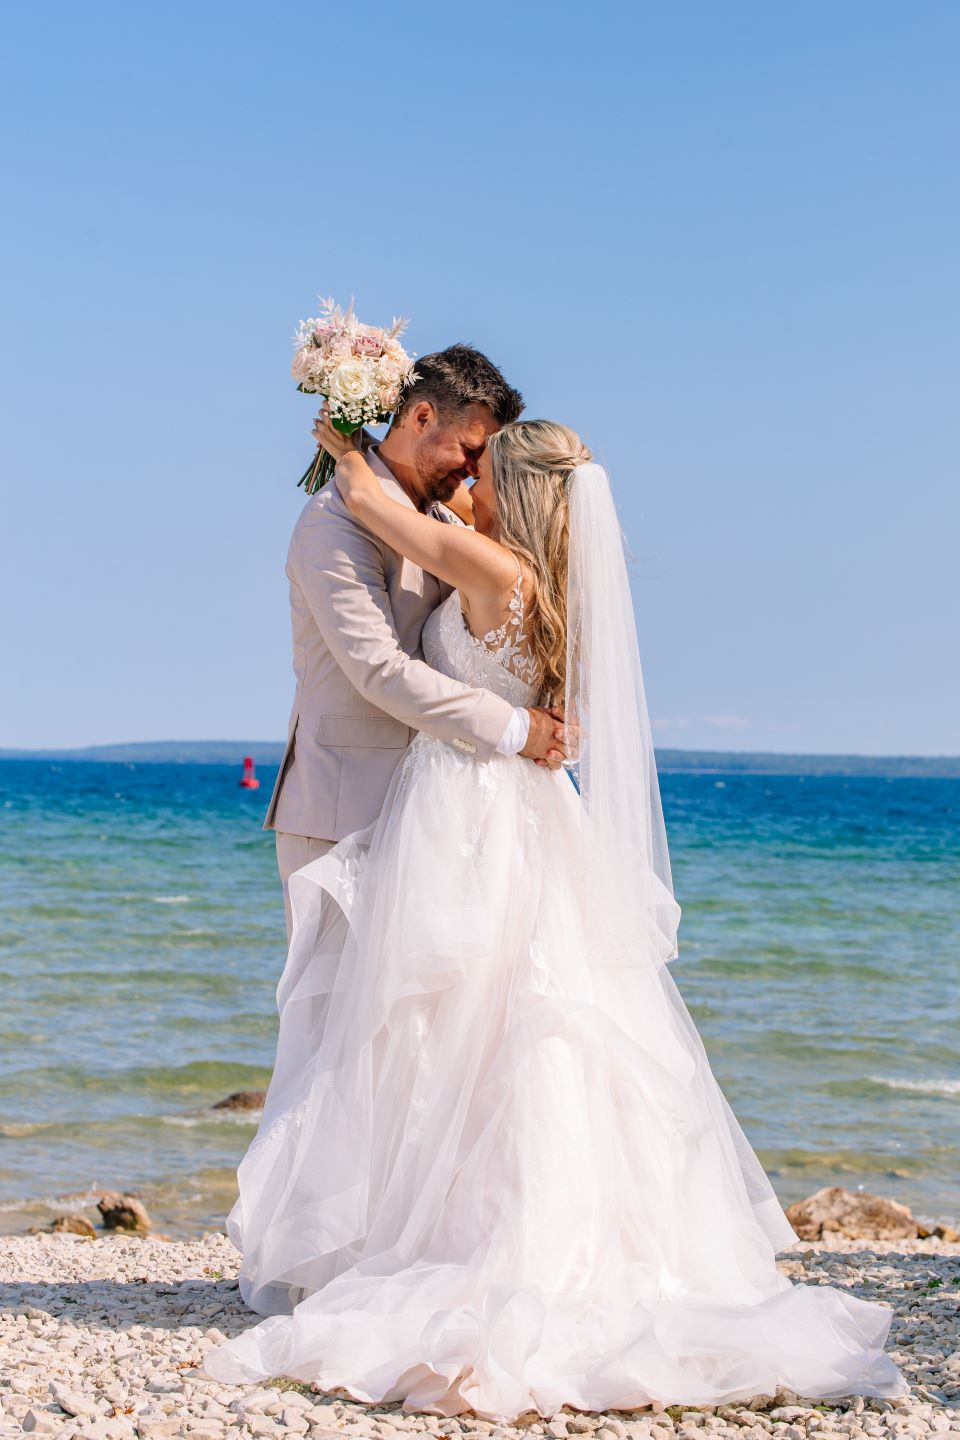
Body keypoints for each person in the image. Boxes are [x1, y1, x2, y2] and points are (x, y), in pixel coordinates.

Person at [204, 419, 908, 1421]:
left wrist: (343, 425)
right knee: (515, 1020)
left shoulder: (490, 563)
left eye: (481, 468)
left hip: (469, 815)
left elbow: (366, 505)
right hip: (516, 812)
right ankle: (495, 1223)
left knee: (459, 1022)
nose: (463, 477)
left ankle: (465, 1243)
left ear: (518, 489)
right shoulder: (550, 582)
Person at [263, 344, 568, 937]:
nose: (475, 472)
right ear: (421, 417)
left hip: (440, 818)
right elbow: (377, 667)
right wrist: (516, 727)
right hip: (344, 817)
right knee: (334, 1022)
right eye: (471, 450)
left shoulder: (451, 521)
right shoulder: (335, 521)